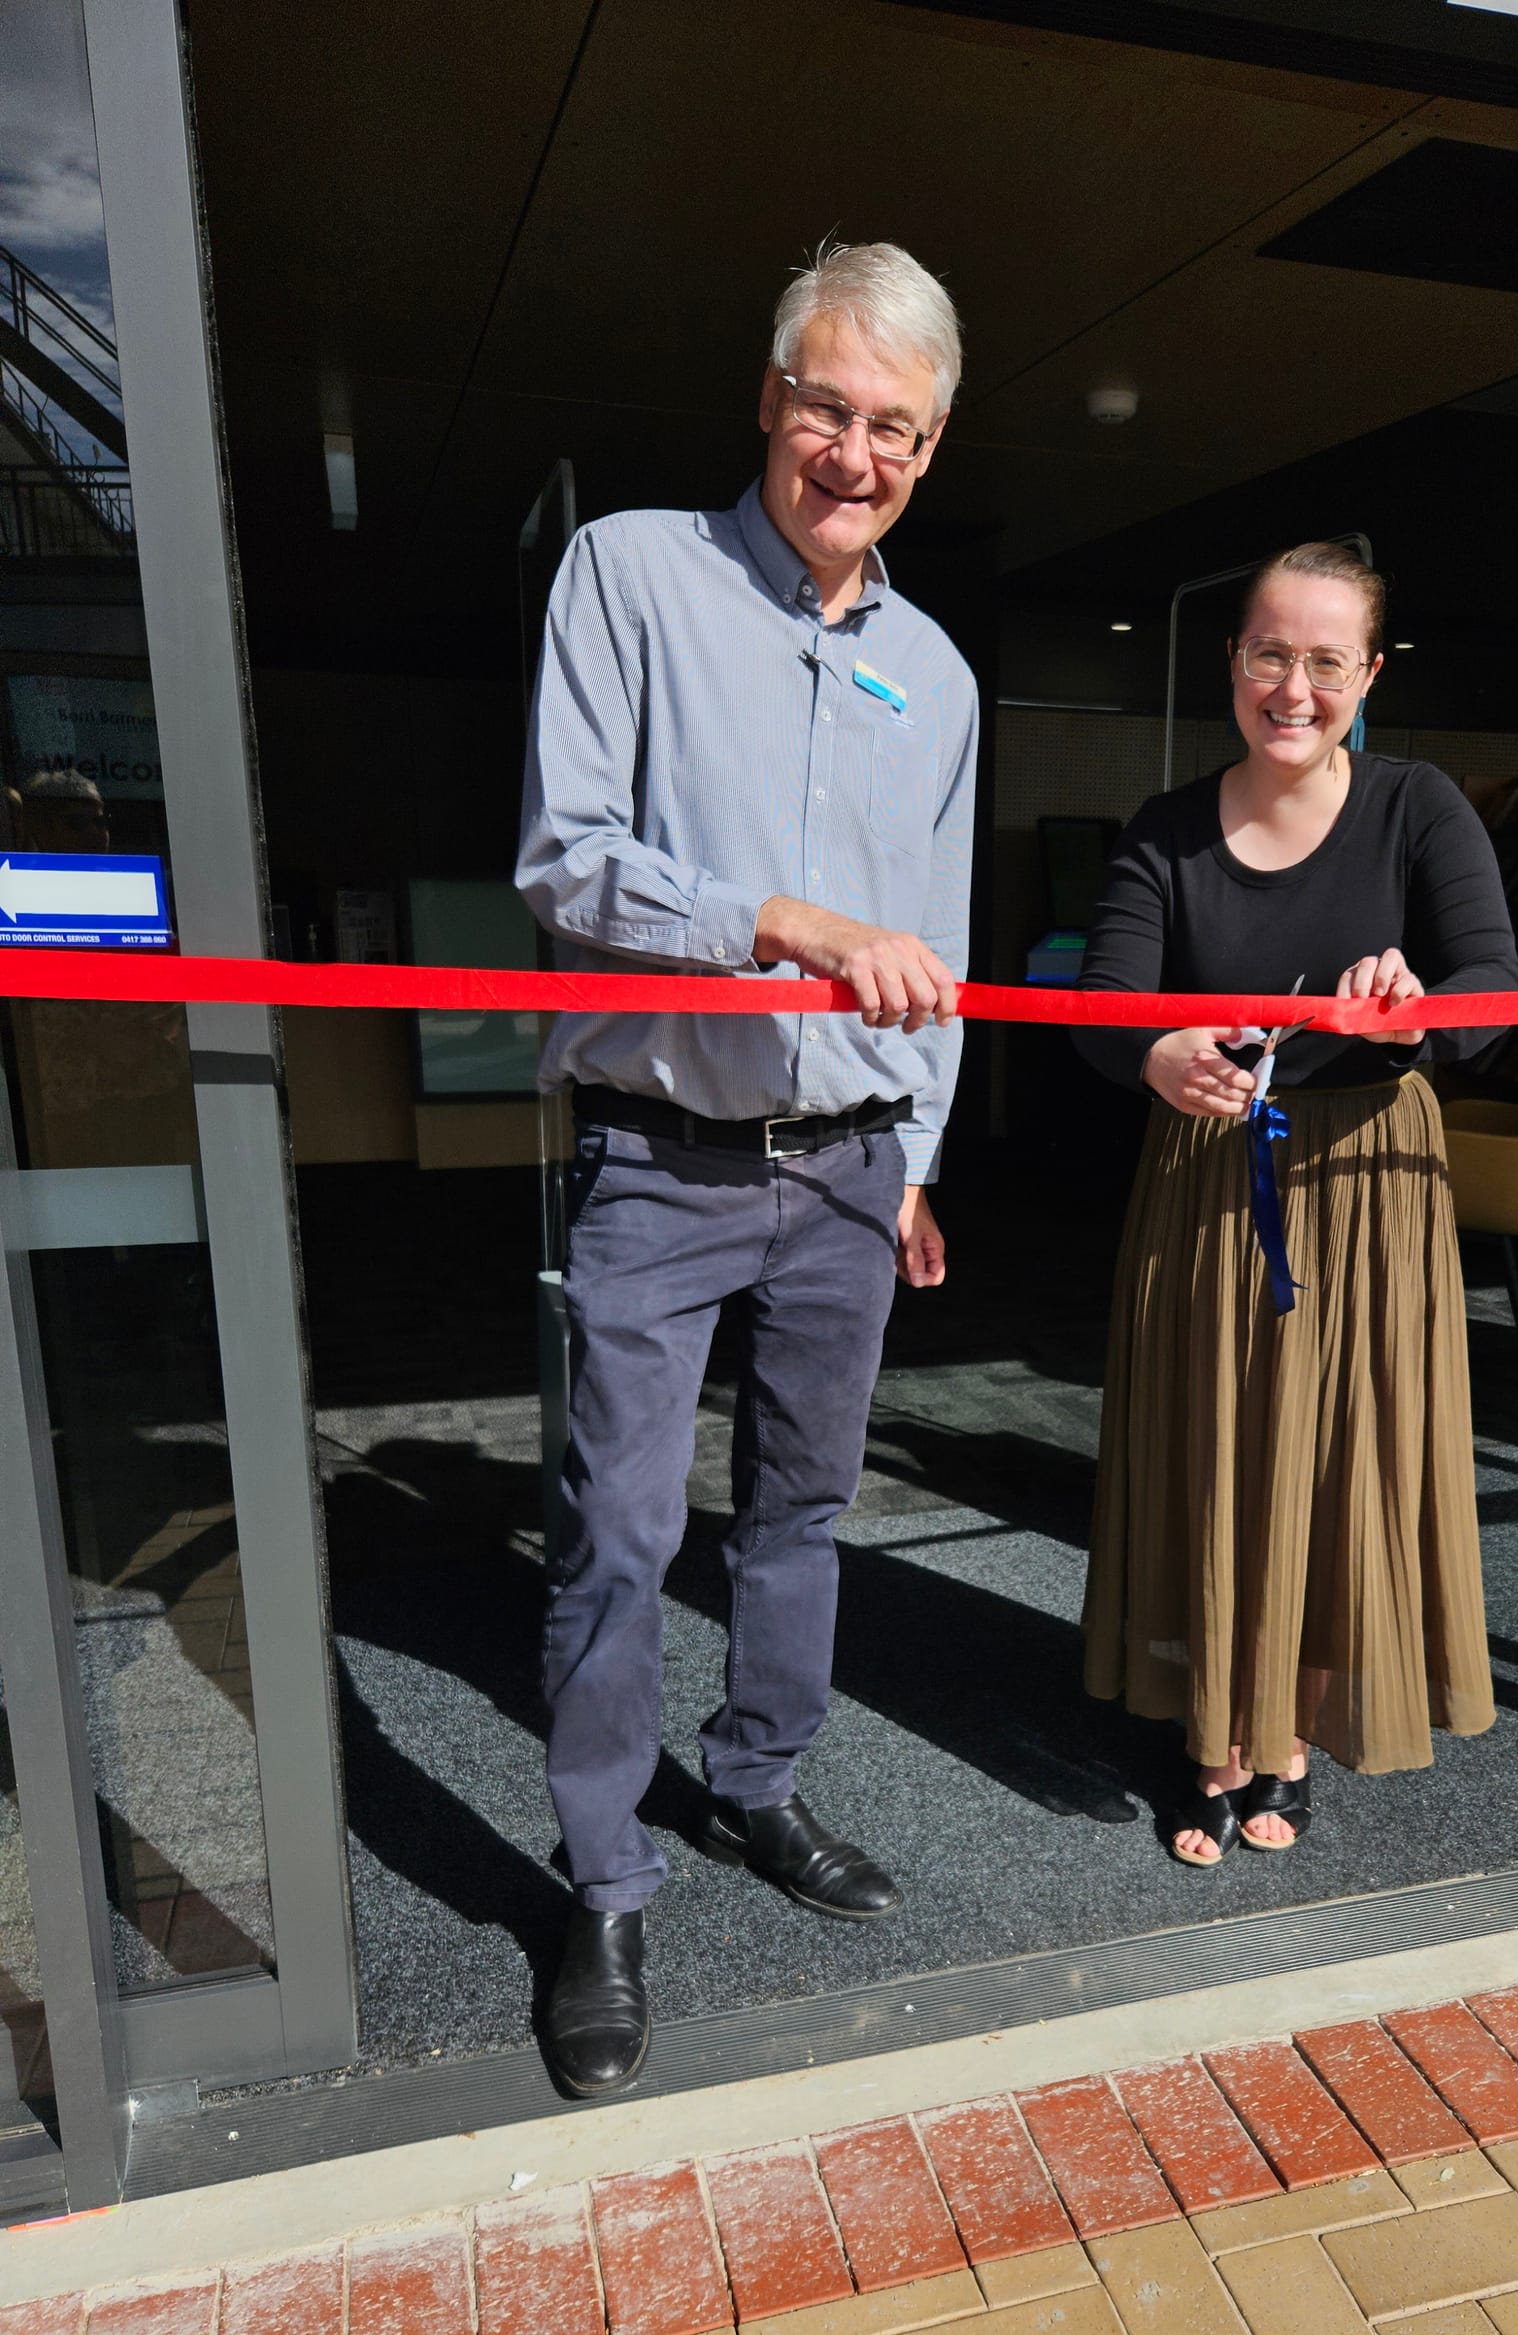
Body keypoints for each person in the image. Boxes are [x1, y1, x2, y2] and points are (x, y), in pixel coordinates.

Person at [516, 241, 977, 2096]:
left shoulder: (933, 675)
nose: (853, 453)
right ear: (768, 402)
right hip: (661, 1157)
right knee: (619, 1535)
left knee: (801, 1516)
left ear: (929, 451)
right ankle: (605, 1880)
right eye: (828, 407)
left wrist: (918, 1153)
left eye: (896, 428)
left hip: (853, 1170)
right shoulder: (630, 571)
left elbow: (932, 957)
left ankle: (758, 1790)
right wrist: (766, 919)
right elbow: (563, 862)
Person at [1073, 541, 1518, 1866]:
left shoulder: (1415, 804)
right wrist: (1154, 1053)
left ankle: (1291, 1742)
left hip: (1373, 1186)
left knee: (1337, 1463)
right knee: (1216, 1452)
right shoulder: (1165, 825)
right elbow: (1106, 999)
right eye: (1271, 652)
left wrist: (1419, 1017)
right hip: (1212, 1180)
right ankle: (1212, 1737)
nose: (1294, 686)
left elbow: (1493, 987)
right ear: (1233, 661)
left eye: (1328, 661)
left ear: (1369, 674)